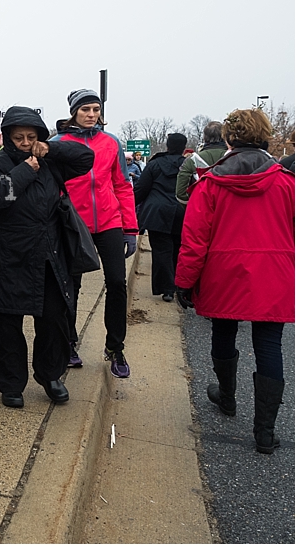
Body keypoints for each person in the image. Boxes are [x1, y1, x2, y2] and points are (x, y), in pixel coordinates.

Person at [175, 108, 294, 454]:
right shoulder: (288, 183)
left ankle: (227, 396)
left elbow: (194, 240)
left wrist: (184, 282)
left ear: (229, 139)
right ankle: (265, 432)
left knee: (224, 332)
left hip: (224, 272)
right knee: (269, 345)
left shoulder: (211, 184)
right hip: (274, 273)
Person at [0, 107, 94, 407]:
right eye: (19, 137)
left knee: (54, 321)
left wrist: (51, 147)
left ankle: (50, 374)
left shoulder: (51, 161)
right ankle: (10, 382)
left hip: (47, 256)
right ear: (8, 138)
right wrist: (26, 170)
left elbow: (85, 158)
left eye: (32, 137)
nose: (26, 142)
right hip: (6, 257)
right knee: (5, 324)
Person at [54, 89, 138, 377]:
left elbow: (123, 185)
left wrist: (131, 228)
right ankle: (68, 342)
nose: (91, 115)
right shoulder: (58, 143)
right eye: (85, 109)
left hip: (109, 221)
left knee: (116, 282)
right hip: (73, 224)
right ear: (74, 111)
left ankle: (115, 347)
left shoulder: (111, 142)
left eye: (96, 109)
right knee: (70, 286)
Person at [134, 133, 187, 302]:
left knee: (161, 250)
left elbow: (141, 188)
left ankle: (167, 289)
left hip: (157, 212)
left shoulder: (154, 164)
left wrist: (131, 206)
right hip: (181, 211)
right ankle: (180, 285)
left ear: (167, 146)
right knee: (178, 248)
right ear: (184, 147)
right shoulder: (187, 165)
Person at [176, 121, 227, 204]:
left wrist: (192, 206)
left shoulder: (192, 160)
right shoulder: (235, 157)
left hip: (201, 208)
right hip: (229, 209)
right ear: (224, 136)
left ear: (204, 138)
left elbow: (180, 193)